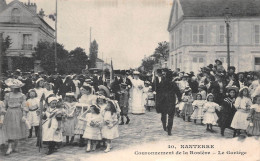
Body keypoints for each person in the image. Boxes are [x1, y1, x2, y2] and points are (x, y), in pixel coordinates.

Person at [3, 78, 27, 155]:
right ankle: (9, 147)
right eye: (12, 86)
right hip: (9, 112)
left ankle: (16, 146)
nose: (13, 88)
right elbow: (4, 105)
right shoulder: (7, 95)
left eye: (15, 87)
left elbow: (25, 105)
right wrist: (3, 112)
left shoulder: (22, 95)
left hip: (18, 112)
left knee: (17, 128)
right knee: (10, 129)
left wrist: (24, 115)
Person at [156, 70, 181, 136]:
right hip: (171, 100)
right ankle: (169, 129)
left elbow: (158, 91)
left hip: (163, 101)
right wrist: (179, 99)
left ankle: (164, 127)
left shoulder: (162, 82)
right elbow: (178, 92)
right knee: (171, 116)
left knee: (163, 114)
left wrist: (158, 100)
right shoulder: (173, 83)